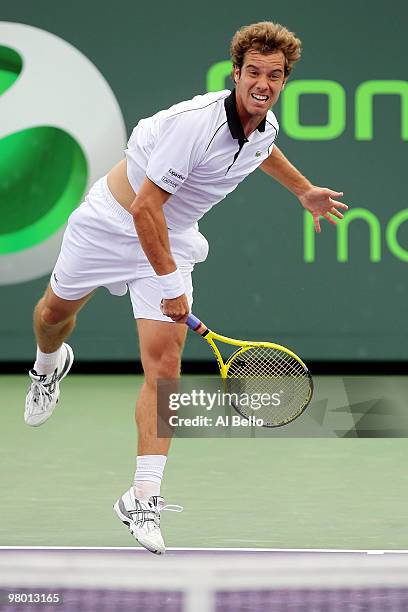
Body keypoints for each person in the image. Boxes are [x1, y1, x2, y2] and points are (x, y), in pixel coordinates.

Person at [24, 21, 348, 554]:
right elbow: (143, 208)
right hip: (112, 223)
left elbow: (263, 151)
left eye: (274, 75)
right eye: (253, 73)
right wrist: (171, 283)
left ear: (284, 79)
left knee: (165, 367)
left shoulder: (262, 128)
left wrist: (305, 191)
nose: (262, 84)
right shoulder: (194, 126)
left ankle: (142, 496)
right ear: (236, 73)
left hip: (168, 238)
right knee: (53, 314)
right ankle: (47, 365)